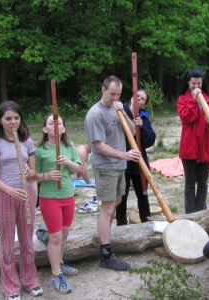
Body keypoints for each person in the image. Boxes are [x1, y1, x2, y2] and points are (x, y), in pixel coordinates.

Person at [0, 101, 43, 300]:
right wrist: (10, 190)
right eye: (8, 118)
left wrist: (29, 172)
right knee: (8, 244)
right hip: (5, 196)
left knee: (28, 241)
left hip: (25, 194)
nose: (13, 122)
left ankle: (30, 280)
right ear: (0, 120)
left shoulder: (26, 141)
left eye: (16, 118)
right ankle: (10, 286)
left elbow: (34, 172)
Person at [85, 75, 141, 271]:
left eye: (118, 94)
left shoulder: (117, 108)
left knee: (116, 203)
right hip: (105, 166)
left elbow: (133, 131)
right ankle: (106, 254)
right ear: (103, 90)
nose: (115, 97)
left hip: (118, 166)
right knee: (108, 208)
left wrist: (124, 113)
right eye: (111, 94)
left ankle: (104, 237)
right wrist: (124, 156)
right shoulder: (95, 114)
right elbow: (99, 147)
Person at [35, 114, 81, 294]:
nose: (55, 126)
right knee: (54, 237)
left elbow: (78, 168)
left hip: (68, 196)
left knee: (64, 233)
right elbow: (32, 175)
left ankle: (60, 263)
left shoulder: (69, 147)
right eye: (50, 123)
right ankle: (56, 275)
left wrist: (68, 162)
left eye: (59, 122)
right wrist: (46, 176)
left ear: (64, 128)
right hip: (49, 198)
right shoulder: (40, 150)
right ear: (44, 129)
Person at [177, 68, 209, 214]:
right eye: (193, 84)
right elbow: (187, 118)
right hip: (189, 147)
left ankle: (201, 211)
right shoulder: (183, 99)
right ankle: (190, 213)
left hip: (206, 146)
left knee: (203, 183)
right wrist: (194, 101)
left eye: (199, 84)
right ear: (188, 83)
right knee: (190, 183)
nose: (196, 87)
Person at [116, 89, 156, 225]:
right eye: (137, 95)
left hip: (139, 161)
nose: (138, 98)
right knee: (122, 196)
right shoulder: (121, 110)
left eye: (142, 98)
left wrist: (142, 127)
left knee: (143, 194)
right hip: (123, 160)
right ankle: (121, 224)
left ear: (144, 104)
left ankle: (146, 223)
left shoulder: (144, 117)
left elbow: (150, 140)